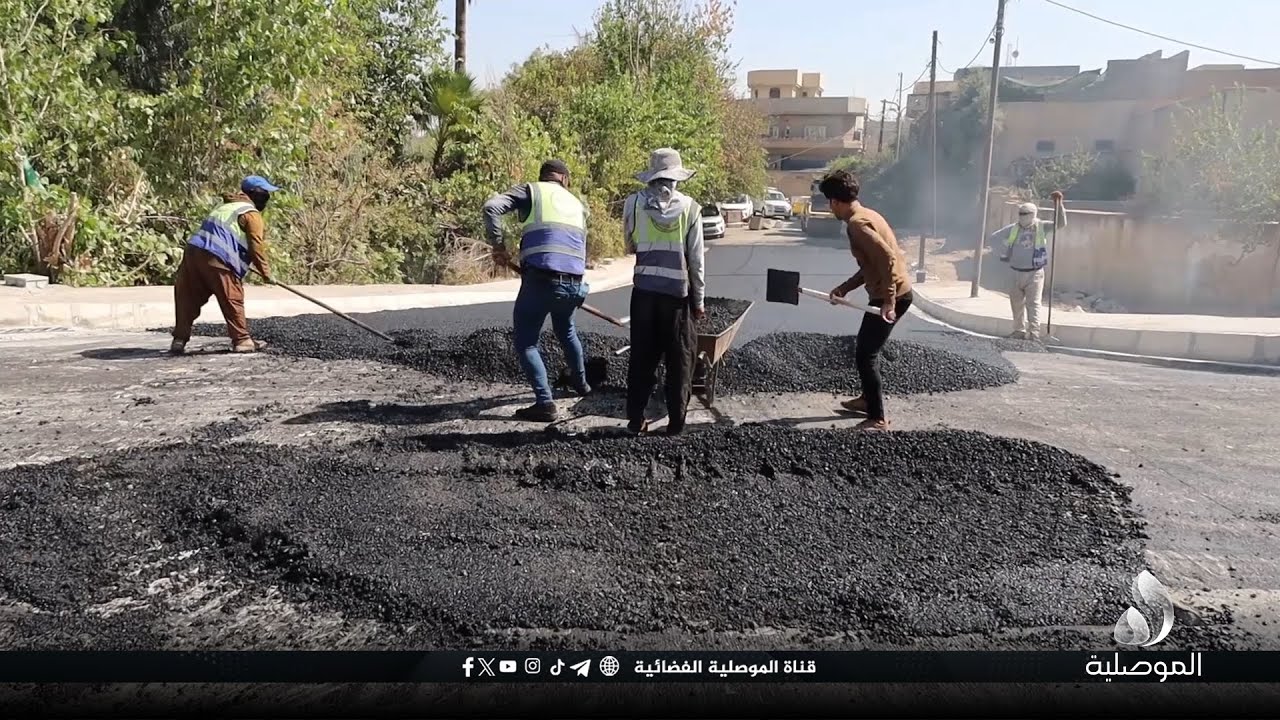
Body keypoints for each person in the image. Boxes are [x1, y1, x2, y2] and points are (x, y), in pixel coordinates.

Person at [482, 159, 592, 422]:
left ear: (544, 177)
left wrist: (498, 247)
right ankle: (582, 385)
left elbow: (491, 208)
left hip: (540, 281)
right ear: (565, 179)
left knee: (526, 341)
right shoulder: (578, 205)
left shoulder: (532, 191)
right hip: (575, 284)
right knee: (566, 330)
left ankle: (545, 403)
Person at [821, 169, 913, 432]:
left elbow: (887, 259)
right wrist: (845, 288)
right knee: (864, 348)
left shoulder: (856, 224)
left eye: (830, 204)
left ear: (835, 202)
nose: (831, 209)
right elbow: (871, 264)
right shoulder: (868, 214)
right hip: (891, 293)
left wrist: (889, 300)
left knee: (866, 354)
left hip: (893, 296)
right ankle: (867, 400)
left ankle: (878, 418)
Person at [622, 148, 706, 436]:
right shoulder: (691, 208)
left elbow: (630, 246)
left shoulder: (632, 204)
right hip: (677, 298)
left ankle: (637, 420)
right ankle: (675, 423)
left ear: (651, 176)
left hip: (644, 295)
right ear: (677, 178)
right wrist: (699, 301)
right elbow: (696, 261)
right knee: (680, 360)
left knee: (642, 358)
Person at [170, 175, 280, 355]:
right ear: (252, 194)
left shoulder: (224, 207)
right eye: (264, 193)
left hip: (193, 254)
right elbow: (256, 246)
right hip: (218, 257)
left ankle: (179, 339)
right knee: (232, 297)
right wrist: (266, 272)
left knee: (188, 298)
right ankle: (242, 340)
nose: (266, 197)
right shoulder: (251, 213)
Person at [990, 190, 1067, 342]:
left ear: (1033, 214)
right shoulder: (1013, 228)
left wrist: (1059, 205)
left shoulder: (1041, 227)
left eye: (1025, 213)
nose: (1022, 216)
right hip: (1015, 271)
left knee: (1033, 304)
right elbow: (994, 238)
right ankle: (1018, 330)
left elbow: (1060, 224)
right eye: (1021, 213)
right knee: (1016, 303)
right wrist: (1002, 251)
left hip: (1034, 273)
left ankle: (1033, 333)